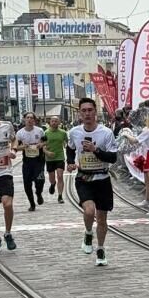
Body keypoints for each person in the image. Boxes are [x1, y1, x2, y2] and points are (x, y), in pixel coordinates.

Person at [66, 97, 118, 267]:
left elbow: (113, 157)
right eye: (84, 111)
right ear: (79, 113)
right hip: (84, 178)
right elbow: (70, 148)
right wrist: (70, 162)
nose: (87, 113)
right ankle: (88, 232)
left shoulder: (106, 133)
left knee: (102, 219)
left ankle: (101, 249)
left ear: (95, 112)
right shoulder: (74, 132)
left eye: (90, 110)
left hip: (102, 179)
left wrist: (96, 150)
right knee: (89, 211)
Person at [0, 98, 17, 251]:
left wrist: (13, 150)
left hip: (5, 171)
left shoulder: (7, 126)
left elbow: (14, 139)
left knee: (8, 204)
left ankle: (8, 233)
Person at [14, 112, 46, 211]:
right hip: (27, 162)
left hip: (39, 160)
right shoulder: (20, 133)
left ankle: (39, 193)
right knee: (27, 184)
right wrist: (23, 147)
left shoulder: (40, 131)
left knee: (40, 180)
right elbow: (15, 147)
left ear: (34, 120)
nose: (29, 120)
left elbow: (46, 141)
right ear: (24, 119)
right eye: (27, 118)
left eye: (31, 118)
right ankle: (32, 203)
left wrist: (41, 144)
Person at [43, 114, 68, 203]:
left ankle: (60, 196)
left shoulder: (63, 133)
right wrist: (47, 152)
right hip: (49, 158)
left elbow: (67, 143)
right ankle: (53, 184)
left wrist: (66, 145)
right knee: (52, 177)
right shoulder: (46, 133)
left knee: (60, 176)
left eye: (56, 121)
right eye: (52, 121)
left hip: (60, 157)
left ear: (59, 122)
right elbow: (42, 146)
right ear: (50, 122)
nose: (54, 123)